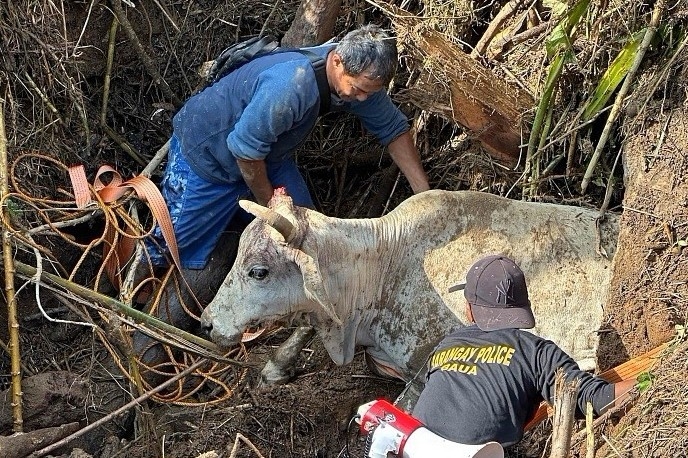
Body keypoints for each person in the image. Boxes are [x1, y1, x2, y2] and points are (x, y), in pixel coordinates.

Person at [146, 23, 430, 269]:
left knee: (308, 235)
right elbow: (246, 155)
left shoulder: (360, 81)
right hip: (207, 155)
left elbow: (394, 130)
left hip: (268, 157)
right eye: (358, 89)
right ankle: (132, 301)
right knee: (171, 247)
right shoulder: (291, 86)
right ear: (337, 61)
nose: (364, 99)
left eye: (371, 92)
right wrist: (272, 208)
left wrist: (425, 196)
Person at [411, 254, 637, 447]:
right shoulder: (537, 354)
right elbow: (597, 399)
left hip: (410, 447)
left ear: (470, 309)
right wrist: (660, 375)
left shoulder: (447, 344)